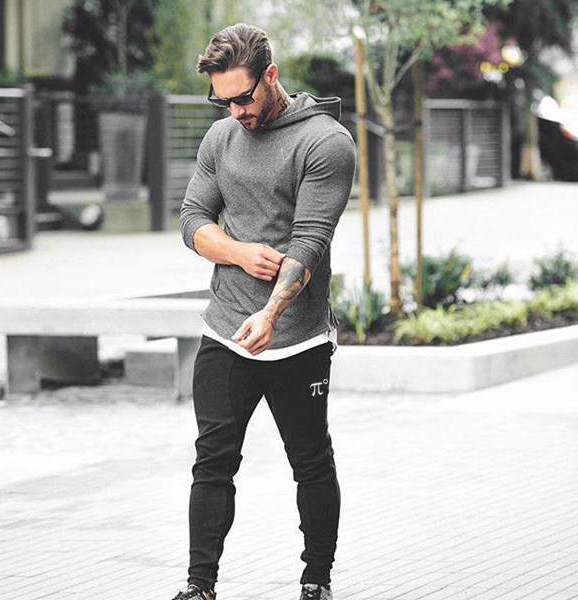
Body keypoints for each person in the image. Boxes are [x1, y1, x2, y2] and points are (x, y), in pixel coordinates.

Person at [174, 22, 357, 600]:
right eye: (222, 100)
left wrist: (273, 314)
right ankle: (199, 586)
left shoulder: (325, 142)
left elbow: (310, 242)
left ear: (270, 75)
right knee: (212, 460)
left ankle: (316, 580)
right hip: (226, 328)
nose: (235, 112)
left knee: (310, 460)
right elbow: (192, 220)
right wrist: (238, 252)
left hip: (296, 336)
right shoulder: (221, 137)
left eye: (243, 98)